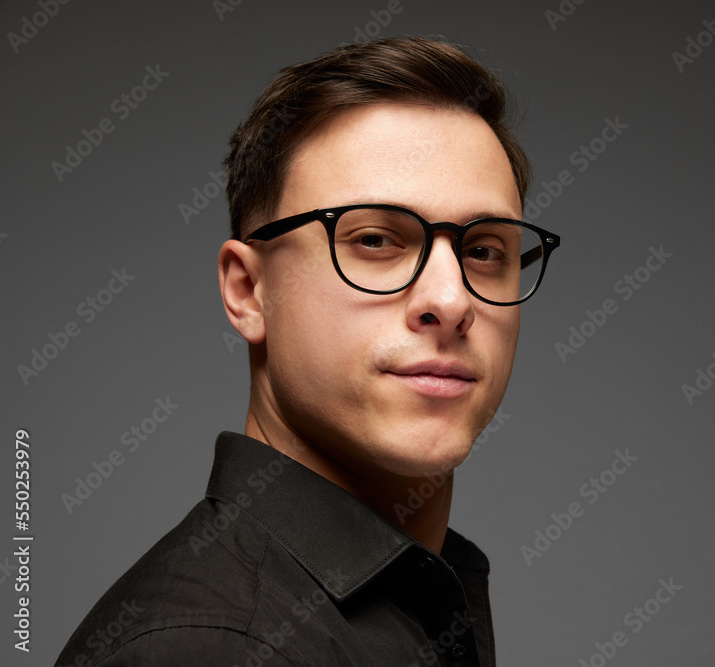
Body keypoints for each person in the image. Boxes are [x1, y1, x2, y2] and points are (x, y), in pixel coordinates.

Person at [55, 36, 560, 666]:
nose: (451, 299)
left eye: (484, 250)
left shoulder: (411, 605)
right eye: (376, 239)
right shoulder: (211, 649)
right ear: (248, 290)